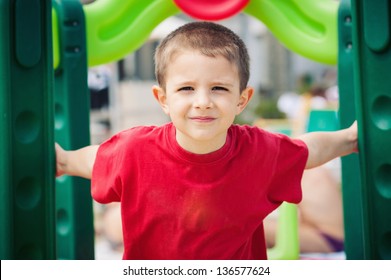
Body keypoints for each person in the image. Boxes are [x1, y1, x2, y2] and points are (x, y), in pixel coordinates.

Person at [55, 21, 358, 260]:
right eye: (186, 88)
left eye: (219, 89)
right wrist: (61, 159)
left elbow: (310, 148)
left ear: (242, 100)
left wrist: (350, 137)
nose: (203, 102)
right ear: (163, 98)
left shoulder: (260, 150)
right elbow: (88, 159)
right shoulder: (133, 150)